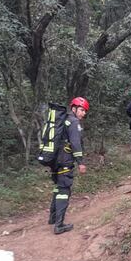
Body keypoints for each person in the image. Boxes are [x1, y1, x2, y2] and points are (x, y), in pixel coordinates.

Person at [49, 97, 88, 235]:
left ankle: (53, 218)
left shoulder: (64, 119)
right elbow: (75, 143)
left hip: (55, 160)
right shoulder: (73, 122)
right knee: (64, 191)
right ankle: (59, 225)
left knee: (57, 188)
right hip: (65, 161)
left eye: (85, 111)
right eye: (82, 110)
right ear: (74, 108)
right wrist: (81, 162)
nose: (84, 113)